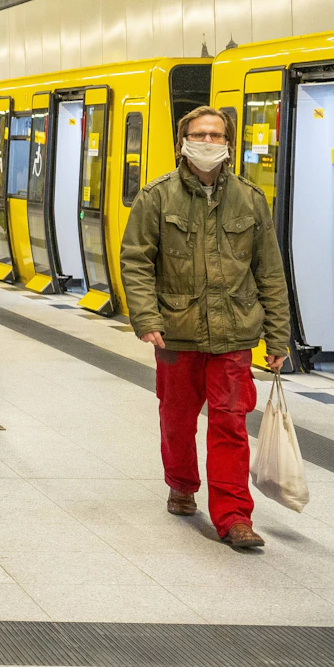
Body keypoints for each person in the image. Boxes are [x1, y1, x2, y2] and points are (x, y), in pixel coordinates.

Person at [119, 105, 290, 552]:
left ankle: (234, 516)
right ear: (183, 141)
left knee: (231, 424)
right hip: (177, 332)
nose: (208, 142)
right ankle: (181, 483)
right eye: (200, 134)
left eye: (216, 135)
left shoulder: (251, 199)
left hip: (234, 334)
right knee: (177, 418)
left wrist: (278, 335)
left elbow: (269, 270)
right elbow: (136, 261)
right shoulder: (155, 197)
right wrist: (146, 318)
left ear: (228, 143)